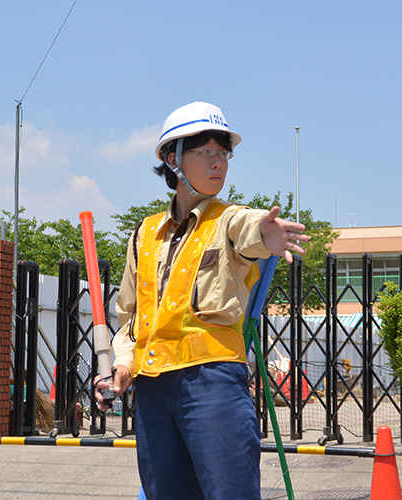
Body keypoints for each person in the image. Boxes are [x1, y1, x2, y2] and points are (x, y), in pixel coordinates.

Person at [94, 101, 309, 500]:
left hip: (211, 384)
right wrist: (122, 366)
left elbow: (248, 230)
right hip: (153, 388)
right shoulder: (144, 234)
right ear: (173, 159)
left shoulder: (228, 220)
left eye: (224, 153)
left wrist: (267, 233)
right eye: (206, 152)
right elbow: (130, 316)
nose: (219, 163)